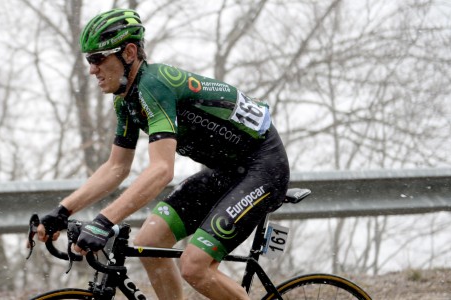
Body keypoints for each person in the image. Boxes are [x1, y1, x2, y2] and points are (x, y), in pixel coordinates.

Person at [36, 8, 290, 300]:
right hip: (226, 170)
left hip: (262, 167)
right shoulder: (126, 102)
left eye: (97, 58)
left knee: (194, 266)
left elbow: (161, 171)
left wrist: (104, 221)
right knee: (149, 242)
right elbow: (116, 167)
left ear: (129, 53)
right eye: (89, 60)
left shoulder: (154, 86)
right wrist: (63, 211)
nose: (92, 69)